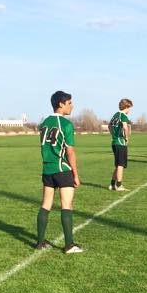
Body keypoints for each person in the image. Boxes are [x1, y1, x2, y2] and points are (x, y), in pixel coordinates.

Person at [36, 91, 83, 253]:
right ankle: (69, 245)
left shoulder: (44, 123)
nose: (72, 106)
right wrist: (75, 174)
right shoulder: (66, 124)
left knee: (45, 204)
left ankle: (40, 242)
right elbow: (70, 152)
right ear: (61, 104)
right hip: (62, 169)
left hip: (47, 169)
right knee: (67, 205)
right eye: (69, 103)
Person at [108, 98, 133, 191]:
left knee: (118, 165)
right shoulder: (123, 116)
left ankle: (112, 185)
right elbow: (125, 127)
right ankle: (119, 185)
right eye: (130, 108)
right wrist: (126, 138)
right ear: (126, 107)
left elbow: (109, 126)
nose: (130, 110)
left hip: (114, 142)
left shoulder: (116, 115)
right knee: (121, 165)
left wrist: (113, 135)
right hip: (121, 143)